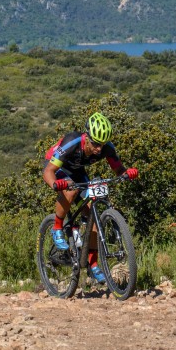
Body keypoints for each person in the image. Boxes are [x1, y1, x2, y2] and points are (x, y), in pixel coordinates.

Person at [42, 112, 138, 283]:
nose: (98, 149)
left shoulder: (106, 148)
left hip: (77, 171)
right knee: (70, 190)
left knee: (92, 217)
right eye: (95, 144)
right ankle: (57, 228)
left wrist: (127, 173)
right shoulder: (72, 142)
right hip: (57, 166)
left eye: (102, 145)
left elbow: (118, 170)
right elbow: (48, 171)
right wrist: (56, 184)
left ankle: (93, 266)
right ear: (86, 137)